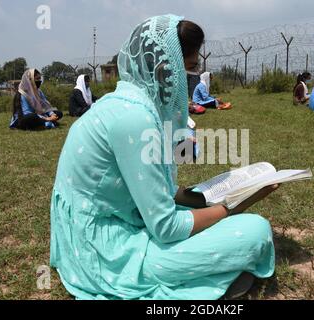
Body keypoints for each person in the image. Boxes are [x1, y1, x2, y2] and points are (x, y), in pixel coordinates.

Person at [50, 15, 278, 301]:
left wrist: (215, 196)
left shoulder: (127, 104)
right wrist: (234, 207)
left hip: (111, 224)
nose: (192, 79)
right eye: (192, 68)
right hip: (105, 251)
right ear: (166, 68)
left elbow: (163, 193)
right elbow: (166, 228)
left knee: (208, 219)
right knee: (255, 231)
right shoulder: (136, 119)